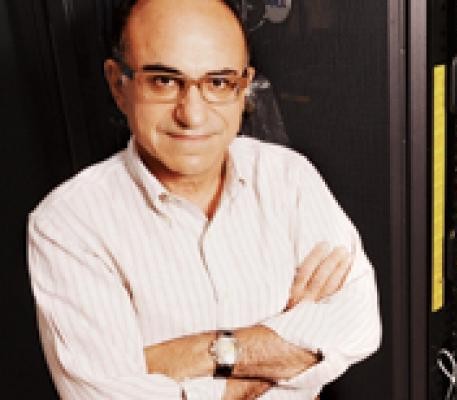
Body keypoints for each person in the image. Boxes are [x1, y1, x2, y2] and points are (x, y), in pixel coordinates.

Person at [26, 0, 382, 399]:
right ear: (118, 85)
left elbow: (359, 324)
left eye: (218, 83)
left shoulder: (288, 178)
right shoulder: (68, 225)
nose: (192, 115)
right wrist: (280, 359)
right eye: (164, 81)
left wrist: (199, 353)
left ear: (243, 88)